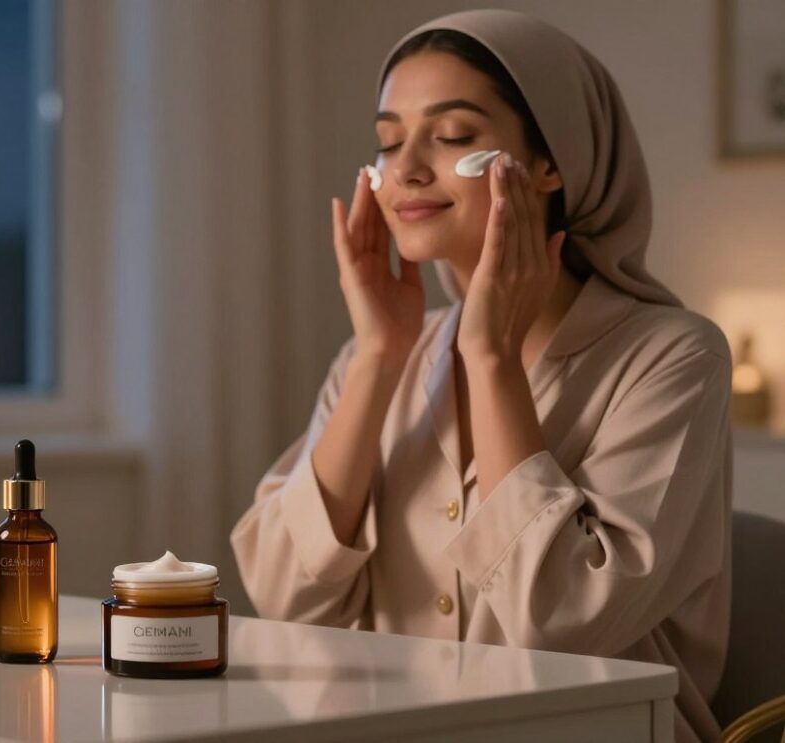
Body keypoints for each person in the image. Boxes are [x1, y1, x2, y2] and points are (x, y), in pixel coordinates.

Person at [230, 10, 731, 742]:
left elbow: (561, 619)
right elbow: (282, 596)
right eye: (389, 140)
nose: (404, 168)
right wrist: (378, 356)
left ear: (552, 162)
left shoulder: (673, 357)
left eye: (455, 135)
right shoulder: (379, 357)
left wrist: (490, 356)